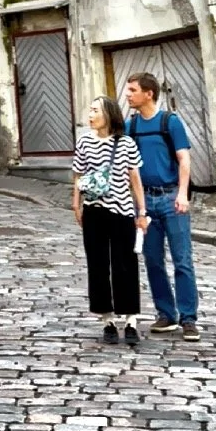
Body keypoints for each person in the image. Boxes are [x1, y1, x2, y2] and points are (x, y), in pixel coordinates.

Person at [125, 71, 201, 341]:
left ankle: (189, 318)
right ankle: (166, 314)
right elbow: (127, 166)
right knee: (153, 260)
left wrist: (182, 194)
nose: (128, 95)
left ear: (149, 94)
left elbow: (184, 159)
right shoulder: (131, 126)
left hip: (170, 197)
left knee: (182, 260)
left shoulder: (170, 122)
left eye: (133, 90)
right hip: (145, 201)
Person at [72, 97, 148, 346]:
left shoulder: (126, 143)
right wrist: (76, 203)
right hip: (94, 211)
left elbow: (135, 179)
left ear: (108, 114)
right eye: (90, 110)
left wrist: (141, 211)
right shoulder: (84, 142)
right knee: (97, 264)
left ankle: (131, 320)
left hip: (122, 211)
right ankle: (107, 320)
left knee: (125, 264)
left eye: (95, 111)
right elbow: (78, 174)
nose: (91, 115)